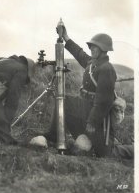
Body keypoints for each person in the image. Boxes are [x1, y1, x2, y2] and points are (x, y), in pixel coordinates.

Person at [45, 24, 134, 159]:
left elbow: (103, 102)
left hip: (99, 116)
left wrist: (92, 122)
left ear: (104, 50)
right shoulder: (92, 63)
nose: (91, 49)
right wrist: (66, 37)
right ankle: (53, 136)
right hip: (84, 107)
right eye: (91, 46)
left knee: (105, 154)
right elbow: (79, 53)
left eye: (95, 47)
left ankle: (132, 149)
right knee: (63, 101)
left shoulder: (107, 69)